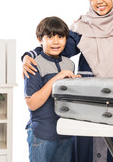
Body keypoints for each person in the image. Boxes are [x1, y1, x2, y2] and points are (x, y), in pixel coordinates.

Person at [22, 0, 113, 162]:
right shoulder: (81, 28)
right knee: (88, 149)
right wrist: (30, 54)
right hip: (87, 100)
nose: (99, 0)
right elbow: (57, 49)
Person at [24, 16, 81, 162]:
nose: (55, 42)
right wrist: (57, 78)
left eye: (60, 37)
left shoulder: (70, 64)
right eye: (49, 37)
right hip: (42, 134)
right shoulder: (34, 64)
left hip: (65, 133)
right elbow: (32, 103)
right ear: (39, 39)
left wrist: (77, 86)